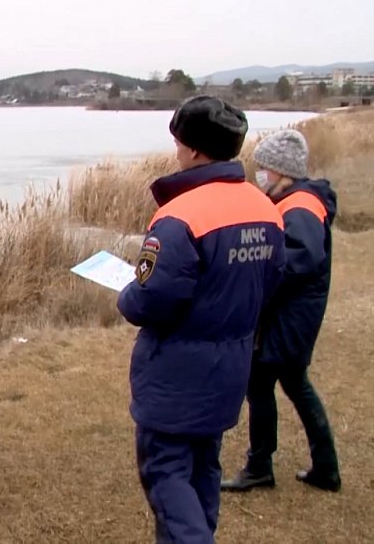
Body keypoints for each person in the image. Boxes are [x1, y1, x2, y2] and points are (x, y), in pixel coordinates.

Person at [117, 95, 286, 543]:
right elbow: (272, 281)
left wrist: (126, 294)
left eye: (178, 143)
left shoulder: (180, 215)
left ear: (192, 149)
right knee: (203, 468)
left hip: (176, 374)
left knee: (166, 474)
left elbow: (151, 300)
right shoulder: (264, 208)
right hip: (230, 366)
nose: (175, 152)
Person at [221, 129, 341, 493]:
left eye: (264, 168)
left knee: (261, 385)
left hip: (290, 317)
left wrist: (257, 276)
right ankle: (323, 467)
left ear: (281, 170)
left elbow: (299, 260)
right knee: (290, 384)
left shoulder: (299, 206)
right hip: (290, 315)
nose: (260, 174)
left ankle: (261, 466)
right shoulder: (293, 200)